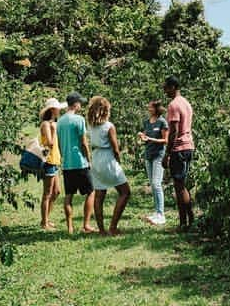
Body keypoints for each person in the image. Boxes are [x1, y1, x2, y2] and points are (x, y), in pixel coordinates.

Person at [86, 96, 131, 236]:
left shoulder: (91, 126)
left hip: (96, 157)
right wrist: (118, 159)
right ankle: (113, 226)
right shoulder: (109, 126)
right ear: (105, 110)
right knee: (125, 192)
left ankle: (101, 230)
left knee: (99, 195)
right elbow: (115, 147)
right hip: (107, 157)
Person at [56, 92, 96, 234]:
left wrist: (63, 158)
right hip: (80, 162)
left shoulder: (60, 121)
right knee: (91, 192)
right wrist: (89, 159)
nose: (81, 105)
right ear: (76, 104)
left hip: (67, 164)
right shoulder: (79, 119)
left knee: (68, 196)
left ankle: (70, 228)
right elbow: (84, 143)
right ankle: (86, 225)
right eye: (80, 103)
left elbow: (59, 143)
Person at [162, 76, 194, 231]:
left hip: (179, 148)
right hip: (189, 146)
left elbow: (173, 131)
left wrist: (167, 154)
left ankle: (184, 223)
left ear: (173, 87)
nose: (164, 91)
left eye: (166, 87)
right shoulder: (186, 103)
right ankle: (189, 221)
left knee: (179, 186)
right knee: (181, 185)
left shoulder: (174, 105)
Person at [137, 100, 168, 225]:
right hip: (148, 156)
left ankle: (161, 214)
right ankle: (156, 212)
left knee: (156, 184)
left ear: (156, 109)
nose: (148, 108)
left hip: (158, 156)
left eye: (150, 107)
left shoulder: (162, 122)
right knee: (152, 184)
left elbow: (165, 140)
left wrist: (150, 139)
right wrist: (141, 138)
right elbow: (144, 139)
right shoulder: (146, 122)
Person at [38, 97, 66, 230]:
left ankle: (46, 219)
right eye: (58, 109)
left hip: (55, 161)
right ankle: (44, 222)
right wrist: (54, 130)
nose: (60, 111)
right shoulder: (46, 124)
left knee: (57, 192)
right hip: (48, 162)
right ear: (53, 110)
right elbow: (49, 143)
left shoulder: (52, 123)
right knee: (47, 193)